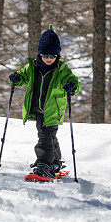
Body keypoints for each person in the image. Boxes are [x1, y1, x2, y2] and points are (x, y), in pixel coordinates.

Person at [8, 26, 80, 181]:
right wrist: (17, 78)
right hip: (38, 109)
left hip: (53, 110)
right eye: (45, 55)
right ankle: (55, 163)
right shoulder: (32, 67)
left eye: (52, 56)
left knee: (45, 137)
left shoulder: (62, 69)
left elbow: (74, 82)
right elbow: (23, 76)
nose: (48, 59)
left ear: (57, 55)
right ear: (39, 53)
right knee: (47, 136)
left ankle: (43, 165)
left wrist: (71, 87)